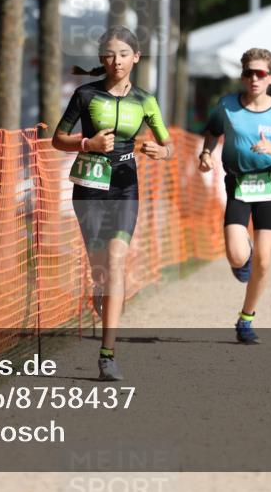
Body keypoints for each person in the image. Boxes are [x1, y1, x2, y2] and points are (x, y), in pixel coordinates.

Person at [52, 26, 172, 381]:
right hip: (89, 186)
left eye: (123, 54)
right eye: (109, 54)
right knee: (100, 270)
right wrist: (87, 145)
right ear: (101, 59)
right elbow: (58, 139)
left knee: (117, 261)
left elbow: (169, 146)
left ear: (136, 57)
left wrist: (160, 150)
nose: (116, 60)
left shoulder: (146, 100)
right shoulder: (85, 94)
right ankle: (99, 290)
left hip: (124, 186)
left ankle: (107, 355)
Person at [199, 48, 271, 344]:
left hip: (267, 186)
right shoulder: (227, 105)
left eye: (260, 73)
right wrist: (206, 154)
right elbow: (212, 131)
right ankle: (247, 261)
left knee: (265, 261)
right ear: (242, 76)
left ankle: (246, 319)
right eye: (249, 73)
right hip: (238, 184)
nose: (254, 78)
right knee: (237, 255)